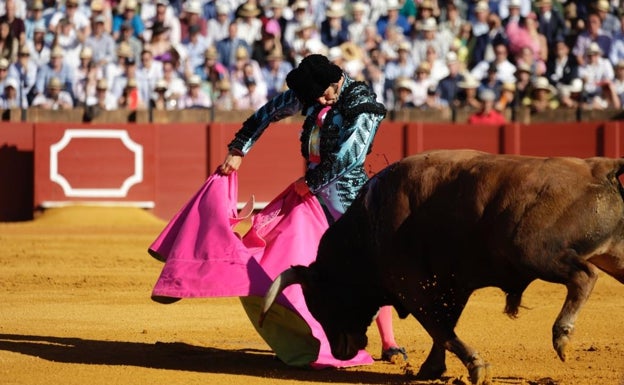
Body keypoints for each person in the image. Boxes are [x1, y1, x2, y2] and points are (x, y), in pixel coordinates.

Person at [219, 54, 407, 363]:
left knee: (371, 264)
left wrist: (313, 180)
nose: (318, 101)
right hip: (312, 196)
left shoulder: (362, 102)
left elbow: (351, 157)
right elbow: (267, 113)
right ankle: (310, 333)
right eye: (313, 97)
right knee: (292, 253)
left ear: (336, 82)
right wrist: (238, 148)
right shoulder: (313, 90)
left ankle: (388, 342)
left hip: (350, 197)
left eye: (323, 94)